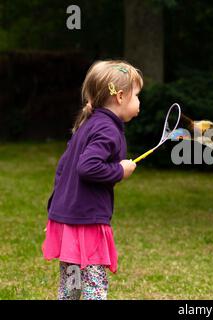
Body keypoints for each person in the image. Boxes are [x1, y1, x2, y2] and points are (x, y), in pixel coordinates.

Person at [42, 60, 143, 300]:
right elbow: (87, 167)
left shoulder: (89, 124)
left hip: (70, 219)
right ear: (120, 96)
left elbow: (63, 168)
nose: (139, 102)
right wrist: (120, 171)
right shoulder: (107, 129)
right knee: (93, 286)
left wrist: (56, 212)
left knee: (71, 286)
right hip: (85, 222)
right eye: (137, 95)